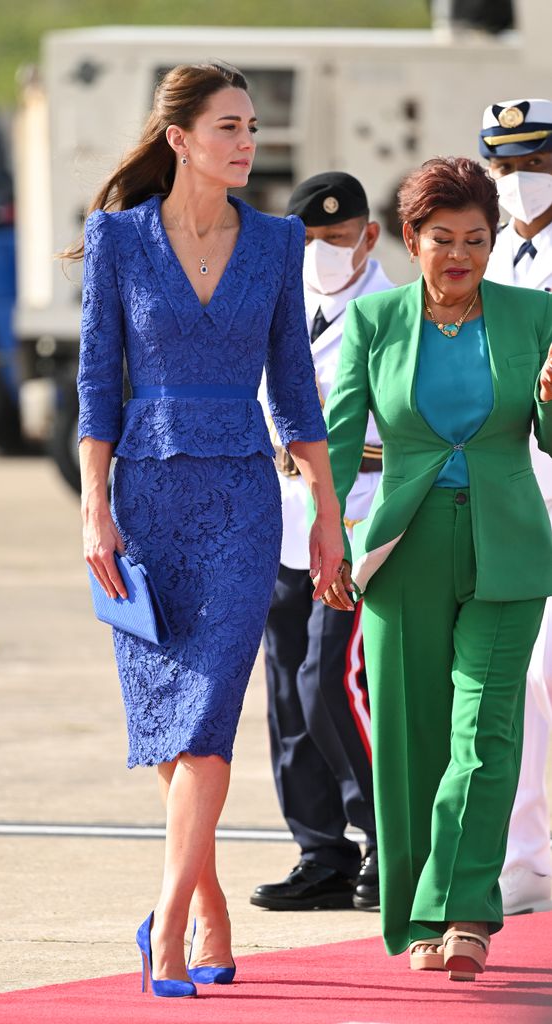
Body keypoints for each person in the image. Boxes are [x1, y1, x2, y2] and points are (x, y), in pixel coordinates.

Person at [71, 62, 343, 999]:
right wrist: (93, 505)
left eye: (254, 127)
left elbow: (297, 388)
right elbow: (97, 385)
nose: (247, 142)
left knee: (210, 721)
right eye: (228, 126)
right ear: (179, 138)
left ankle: (171, 927)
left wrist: (327, 515)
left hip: (240, 497)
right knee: (171, 723)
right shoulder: (114, 239)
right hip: (142, 502)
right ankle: (211, 904)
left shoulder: (276, 241)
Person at [323, 155, 552, 982]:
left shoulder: (536, 315)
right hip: (402, 545)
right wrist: (330, 538)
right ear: (412, 238)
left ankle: (461, 911)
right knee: (412, 739)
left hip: (509, 544)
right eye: (443, 238)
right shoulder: (377, 321)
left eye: (478, 240)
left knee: (485, 734)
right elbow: (342, 438)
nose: (462, 255)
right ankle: (416, 915)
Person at [252, 173, 392, 914]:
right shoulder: (282, 305)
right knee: (284, 690)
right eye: (307, 241)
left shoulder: (396, 308)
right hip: (281, 517)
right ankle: (321, 850)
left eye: (337, 240)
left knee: (329, 681)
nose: (323, 254)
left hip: (362, 514)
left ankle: (386, 839)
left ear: (370, 236)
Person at [479, 97, 552, 916]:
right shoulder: (493, 257)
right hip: (511, 489)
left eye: (534, 164)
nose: (519, 182)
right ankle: (525, 855)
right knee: (519, 677)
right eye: (507, 166)